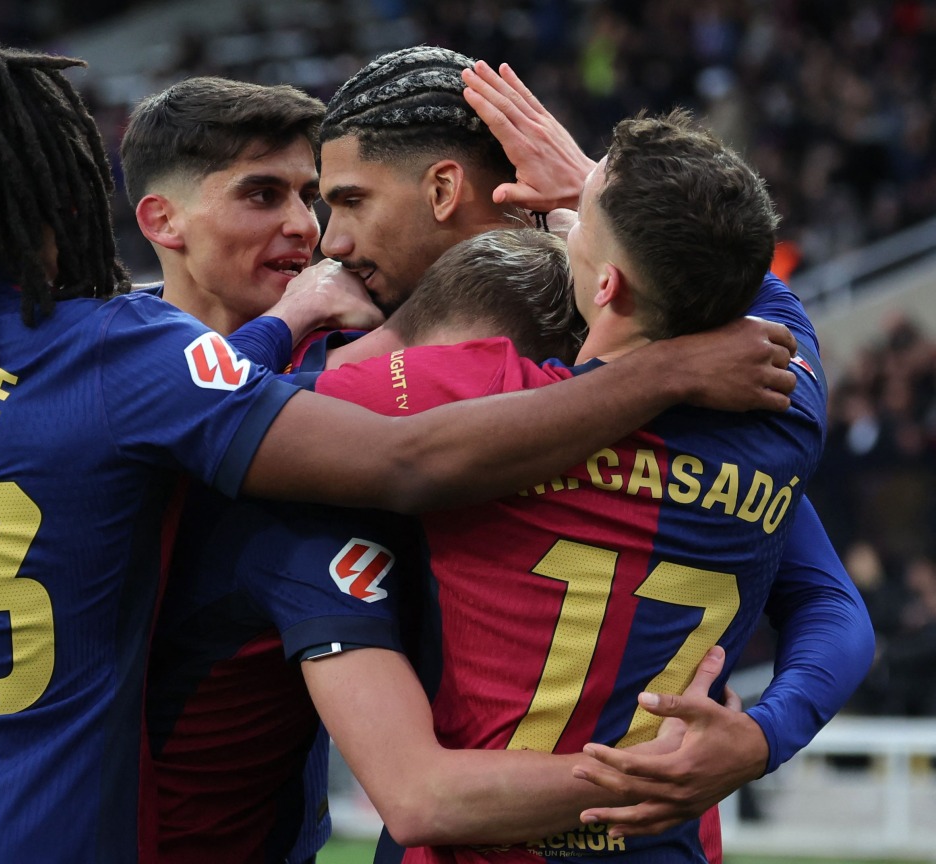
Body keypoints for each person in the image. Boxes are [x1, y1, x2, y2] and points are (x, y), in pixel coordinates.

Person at [0, 41, 796, 864]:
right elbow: (404, 462)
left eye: (318, 198)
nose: (310, 233)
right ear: (97, 207)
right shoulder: (131, 362)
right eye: (265, 196)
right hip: (36, 833)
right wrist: (663, 371)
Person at [307, 70, 839, 863]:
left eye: (581, 213)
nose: (559, 213)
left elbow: (248, 411)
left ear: (606, 281)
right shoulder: (784, 406)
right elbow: (833, 607)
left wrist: (301, 319)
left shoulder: (473, 392)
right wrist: (761, 737)